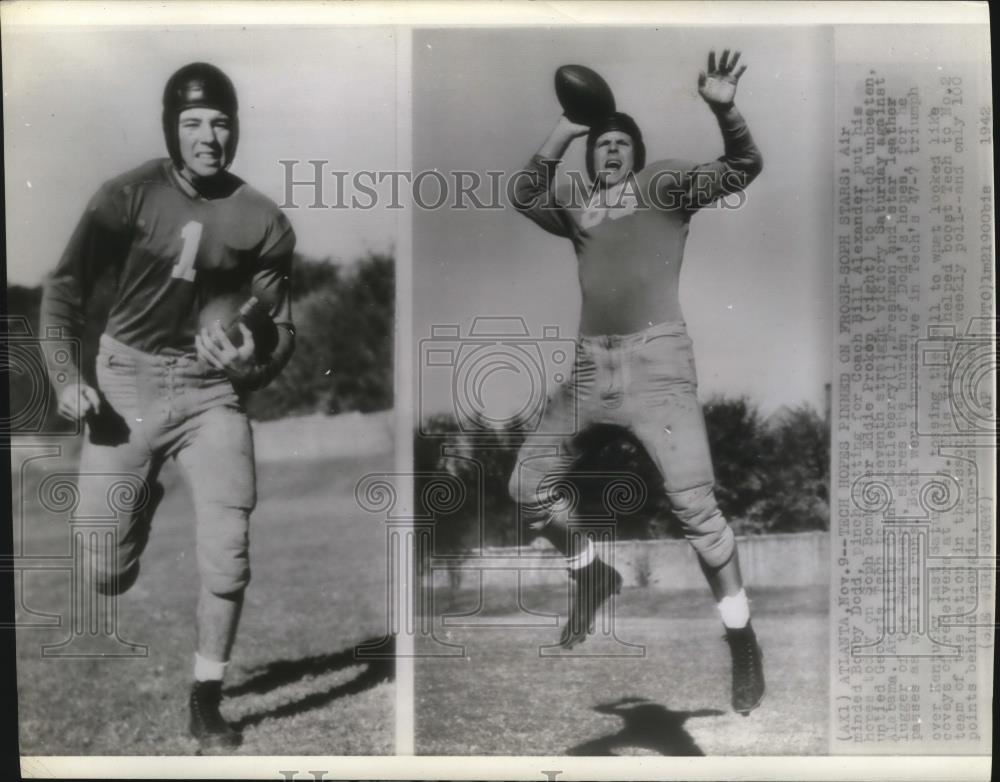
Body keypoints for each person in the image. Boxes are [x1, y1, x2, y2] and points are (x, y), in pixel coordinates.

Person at [40, 62, 296, 749]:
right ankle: (138, 501)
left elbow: (284, 328)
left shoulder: (265, 219)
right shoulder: (126, 196)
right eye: (193, 123)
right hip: (126, 383)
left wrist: (255, 365)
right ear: (171, 129)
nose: (208, 136)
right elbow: (62, 290)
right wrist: (67, 377)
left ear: (235, 127)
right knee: (105, 571)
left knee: (229, 551)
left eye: (219, 122)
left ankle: (206, 697)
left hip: (212, 392)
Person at [508, 50, 765, 715]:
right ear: (592, 161)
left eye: (622, 144)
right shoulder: (580, 209)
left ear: (639, 155)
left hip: (657, 366)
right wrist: (570, 124)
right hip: (591, 368)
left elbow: (743, 167)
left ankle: (741, 641)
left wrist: (723, 107)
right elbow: (523, 193)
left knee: (697, 514)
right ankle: (590, 572)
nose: (612, 152)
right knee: (526, 486)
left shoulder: (665, 186)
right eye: (603, 145)